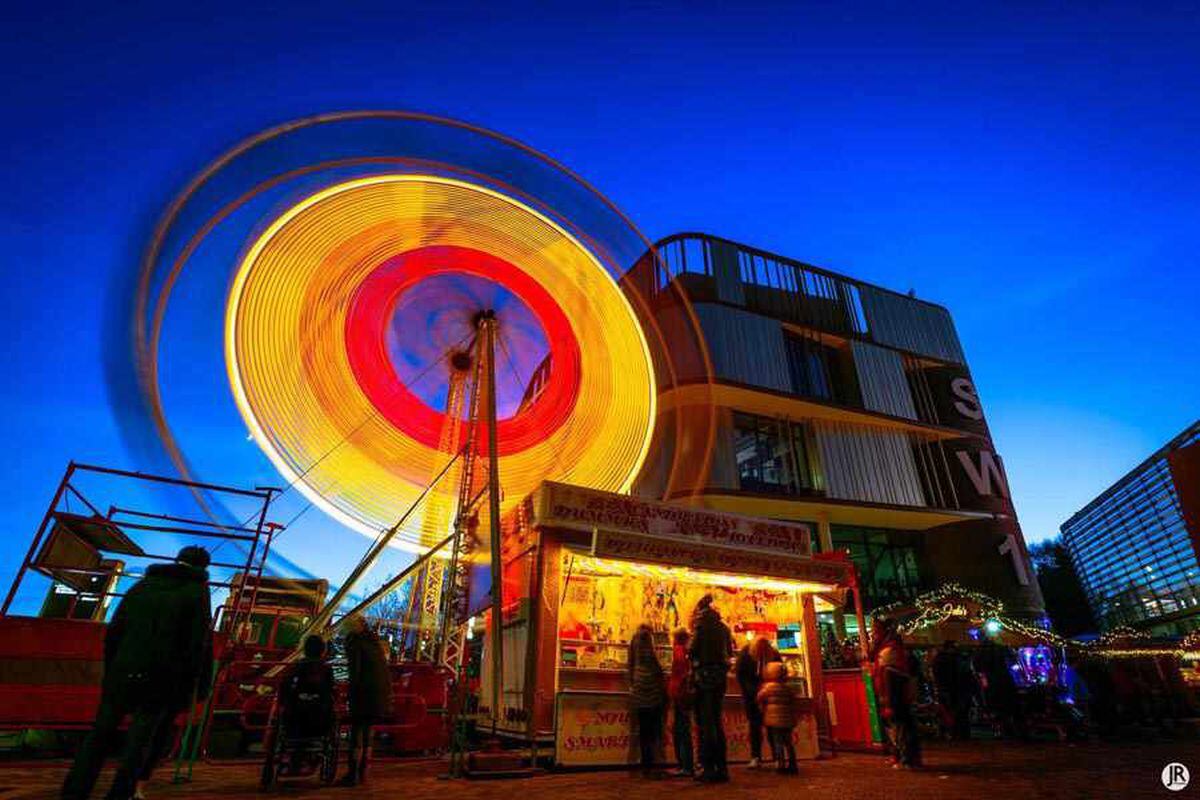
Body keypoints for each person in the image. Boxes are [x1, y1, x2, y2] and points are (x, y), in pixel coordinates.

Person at [62, 546, 214, 800]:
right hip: (161, 679)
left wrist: (113, 668)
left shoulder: (141, 587)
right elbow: (197, 644)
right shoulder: (197, 592)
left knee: (99, 735)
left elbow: (114, 632)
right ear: (203, 568)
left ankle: (75, 790)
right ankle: (121, 793)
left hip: (123, 671)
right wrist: (196, 686)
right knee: (140, 741)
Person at [338, 614, 393, 787]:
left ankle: (352, 773)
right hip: (380, 694)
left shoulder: (354, 643)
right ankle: (363, 772)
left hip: (364, 693)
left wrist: (350, 694)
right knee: (368, 733)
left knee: (357, 734)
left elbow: (355, 672)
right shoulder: (373, 643)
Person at [688, 594, 733, 783]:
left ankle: (708, 767)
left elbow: (692, 650)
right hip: (720, 678)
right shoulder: (724, 628)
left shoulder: (701, 626)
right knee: (716, 721)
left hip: (704, 678)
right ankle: (722, 767)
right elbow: (729, 653)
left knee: (706, 724)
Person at [275, 634, 336, 772]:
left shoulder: (298, 666)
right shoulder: (326, 669)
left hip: (295, 716)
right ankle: (310, 757)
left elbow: (286, 686)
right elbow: (331, 690)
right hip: (319, 717)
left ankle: (294, 758)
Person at [870, 618, 921, 769]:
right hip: (895, 694)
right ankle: (903, 757)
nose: (873, 634)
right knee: (899, 726)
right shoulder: (890, 649)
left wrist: (889, 702)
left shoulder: (889, 651)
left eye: (875, 631)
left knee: (900, 727)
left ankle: (907, 759)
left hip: (895, 695)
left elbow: (891, 677)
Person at [628, 624, 666, 777]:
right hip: (653, 691)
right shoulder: (648, 641)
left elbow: (630, 666)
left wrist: (632, 684)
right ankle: (656, 765)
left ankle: (645, 765)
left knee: (643, 731)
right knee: (655, 731)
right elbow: (657, 667)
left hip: (639, 691)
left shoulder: (634, 643)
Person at [735, 636, 779, 768]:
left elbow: (740, 675)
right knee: (762, 727)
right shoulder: (747, 655)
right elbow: (741, 675)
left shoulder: (746, 655)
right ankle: (767, 757)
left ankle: (763, 757)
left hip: (762, 696)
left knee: (761, 727)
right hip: (756, 696)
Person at [756, 661, 798, 775]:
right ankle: (793, 764)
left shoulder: (768, 688)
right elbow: (793, 700)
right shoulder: (788, 688)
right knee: (788, 742)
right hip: (787, 720)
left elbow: (759, 698)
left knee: (777, 743)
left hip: (774, 721)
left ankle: (780, 764)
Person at [667, 627, 694, 777]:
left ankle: (685, 765)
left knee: (681, 729)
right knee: (683, 728)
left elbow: (679, 665)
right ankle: (686, 764)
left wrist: (679, 682)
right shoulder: (687, 650)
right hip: (683, 693)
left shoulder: (678, 649)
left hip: (679, 693)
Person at [931, 640, 972, 740]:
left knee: (947, 711)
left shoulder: (939, 659)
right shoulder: (956, 659)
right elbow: (963, 674)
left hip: (945, 688)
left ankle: (948, 732)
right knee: (957, 711)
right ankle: (957, 732)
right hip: (955, 689)